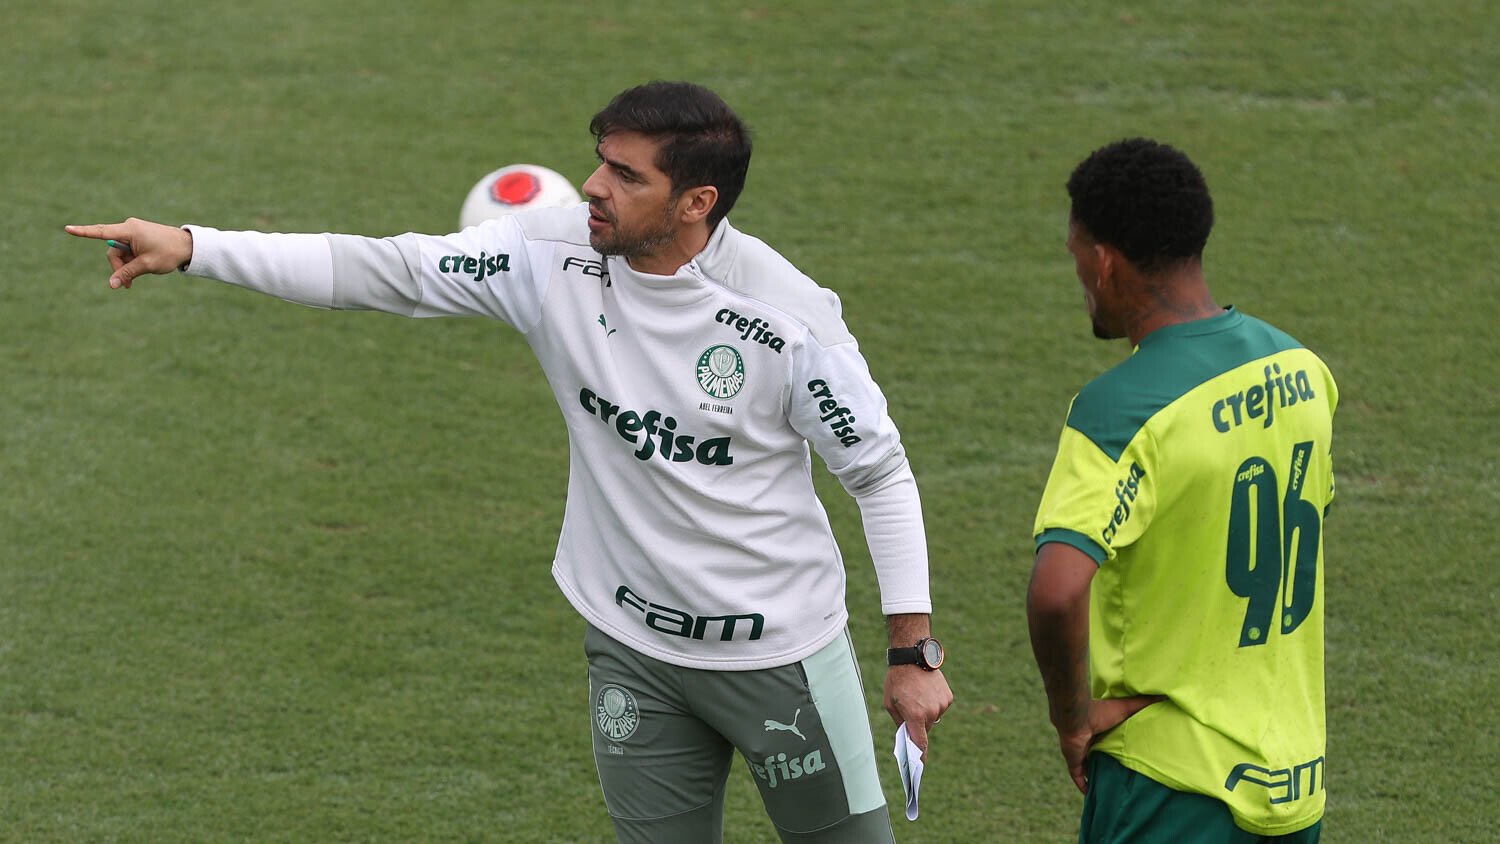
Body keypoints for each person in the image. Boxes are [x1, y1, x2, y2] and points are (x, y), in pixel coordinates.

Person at [67, 81, 951, 843]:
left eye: (626, 176)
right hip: (631, 649)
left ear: (697, 202)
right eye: (600, 161)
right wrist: (192, 246)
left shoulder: (788, 321)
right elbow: (385, 270)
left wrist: (913, 652)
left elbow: (879, 475)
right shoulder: (548, 253)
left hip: (780, 660)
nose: (594, 188)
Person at [1027, 138, 1337, 842]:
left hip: (1169, 784)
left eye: (1076, 254)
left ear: (1103, 259)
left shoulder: (1122, 407)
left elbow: (1057, 590)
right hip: (1292, 779)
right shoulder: (1304, 371)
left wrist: (1071, 721)